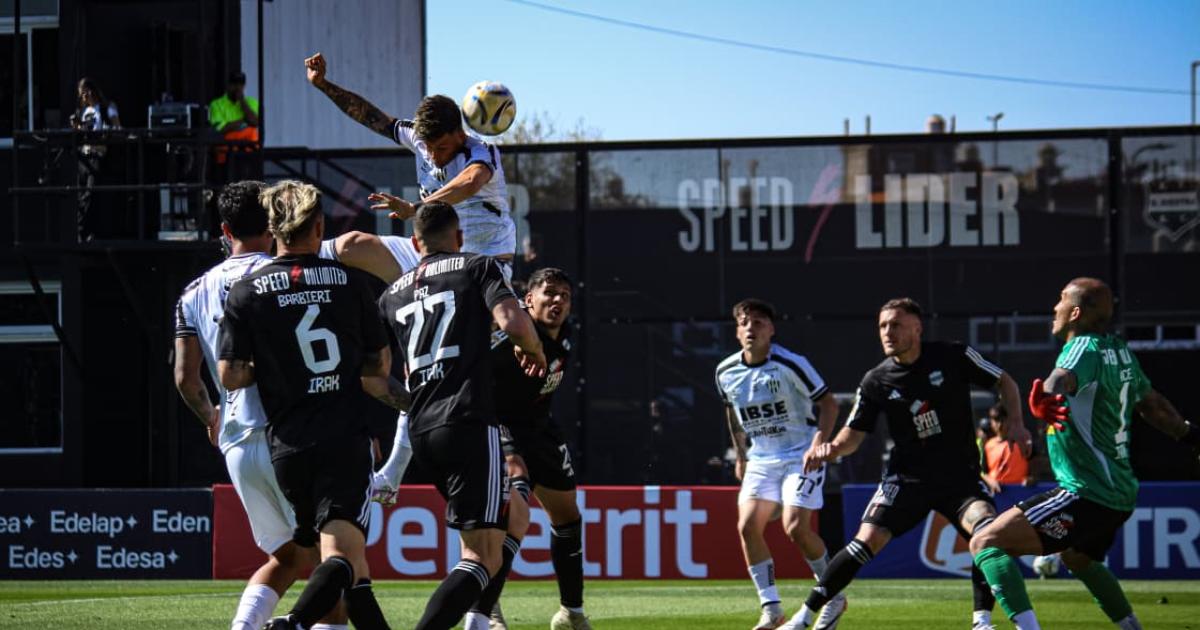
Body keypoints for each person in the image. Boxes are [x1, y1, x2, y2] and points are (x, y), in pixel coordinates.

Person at [969, 277, 1200, 630]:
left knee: (986, 542)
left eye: (1061, 299)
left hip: (1087, 492)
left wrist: (1044, 395)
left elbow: (1061, 378)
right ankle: (1131, 627)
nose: (1055, 307)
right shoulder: (1119, 350)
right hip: (1120, 492)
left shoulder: (1083, 347)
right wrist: (1191, 436)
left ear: (1075, 312)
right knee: (1077, 557)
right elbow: (1153, 406)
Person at [791, 298, 1031, 630]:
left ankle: (982, 622)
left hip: (958, 478)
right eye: (882, 326)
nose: (887, 332)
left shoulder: (953, 355)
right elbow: (854, 434)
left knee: (986, 532)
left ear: (917, 329)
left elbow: (1005, 381)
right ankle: (803, 618)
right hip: (906, 479)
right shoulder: (876, 380)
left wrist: (1017, 423)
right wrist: (830, 450)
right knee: (865, 541)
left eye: (896, 324)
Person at [217, 180, 394, 630]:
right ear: (319, 227)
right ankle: (292, 624)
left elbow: (230, 375)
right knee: (341, 558)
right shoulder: (352, 283)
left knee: (350, 567)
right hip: (342, 436)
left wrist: (280, 368)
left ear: (275, 228)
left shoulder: (245, 291)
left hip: (288, 447)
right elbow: (377, 368)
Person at [175, 181, 345, 630]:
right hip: (289, 434)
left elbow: (185, 379)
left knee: (288, 557)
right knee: (333, 560)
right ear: (273, 224)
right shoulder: (283, 272)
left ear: (225, 228)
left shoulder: (193, 293)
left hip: (234, 440)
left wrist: (211, 417)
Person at [377, 201, 545, 630]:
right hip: (468, 420)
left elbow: (374, 379)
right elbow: (513, 323)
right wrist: (535, 350)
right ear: (459, 237)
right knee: (484, 557)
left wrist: (412, 404)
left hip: (421, 430)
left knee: (492, 531)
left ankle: (476, 623)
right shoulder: (476, 266)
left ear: (415, 243)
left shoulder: (390, 294)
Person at [304, 52, 515, 263]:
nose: (432, 156)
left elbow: (470, 182)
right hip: (432, 253)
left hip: (486, 256)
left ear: (460, 135)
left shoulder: (481, 151)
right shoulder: (416, 137)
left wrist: (415, 208)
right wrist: (323, 84)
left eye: (441, 147)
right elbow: (368, 114)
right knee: (351, 245)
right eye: (428, 147)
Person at [714, 298, 841, 630]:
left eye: (758, 322)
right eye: (744, 322)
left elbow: (829, 404)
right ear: (736, 330)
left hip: (800, 454)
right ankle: (771, 608)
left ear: (772, 329)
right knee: (747, 527)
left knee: (795, 527)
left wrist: (819, 442)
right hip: (761, 458)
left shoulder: (792, 363)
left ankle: (833, 595)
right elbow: (732, 411)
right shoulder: (725, 371)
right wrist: (741, 455)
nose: (751, 328)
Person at [483, 267, 590, 630]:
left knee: (568, 519)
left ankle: (571, 614)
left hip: (541, 429)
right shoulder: (505, 338)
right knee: (515, 508)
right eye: (549, 293)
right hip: (501, 427)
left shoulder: (568, 335)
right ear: (528, 300)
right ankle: (487, 608)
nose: (558, 300)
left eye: (565, 295)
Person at [71, 77, 121, 242]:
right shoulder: (83, 112)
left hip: (99, 155)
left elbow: (117, 128)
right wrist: (77, 126)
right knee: (81, 194)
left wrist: (108, 133)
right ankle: (82, 233)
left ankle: (91, 232)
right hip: (84, 156)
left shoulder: (106, 108)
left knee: (91, 194)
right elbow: (82, 134)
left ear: (91, 91)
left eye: (84, 94)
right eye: (81, 96)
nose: (83, 99)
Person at [210, 71, 261, 168]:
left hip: (248, 154)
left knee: (252, 132)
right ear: (228, 85)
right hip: (226, 154)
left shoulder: (251, 102)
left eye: (240, 84)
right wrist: (244, 121)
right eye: (234, 84)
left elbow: (255, 122)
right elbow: (220, 129)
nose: (237, 87)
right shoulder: (217, 104)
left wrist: (242, 101)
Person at [981, 404, 1036, 490]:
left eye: (1003, 420)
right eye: (995, 420)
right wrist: (990, 481)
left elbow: (1037, 469)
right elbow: (984, 473)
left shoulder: (1023, 442)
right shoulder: (988, 445)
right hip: (997, 494)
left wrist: (1031, 479)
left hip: (1021, 492)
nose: (999, 424)